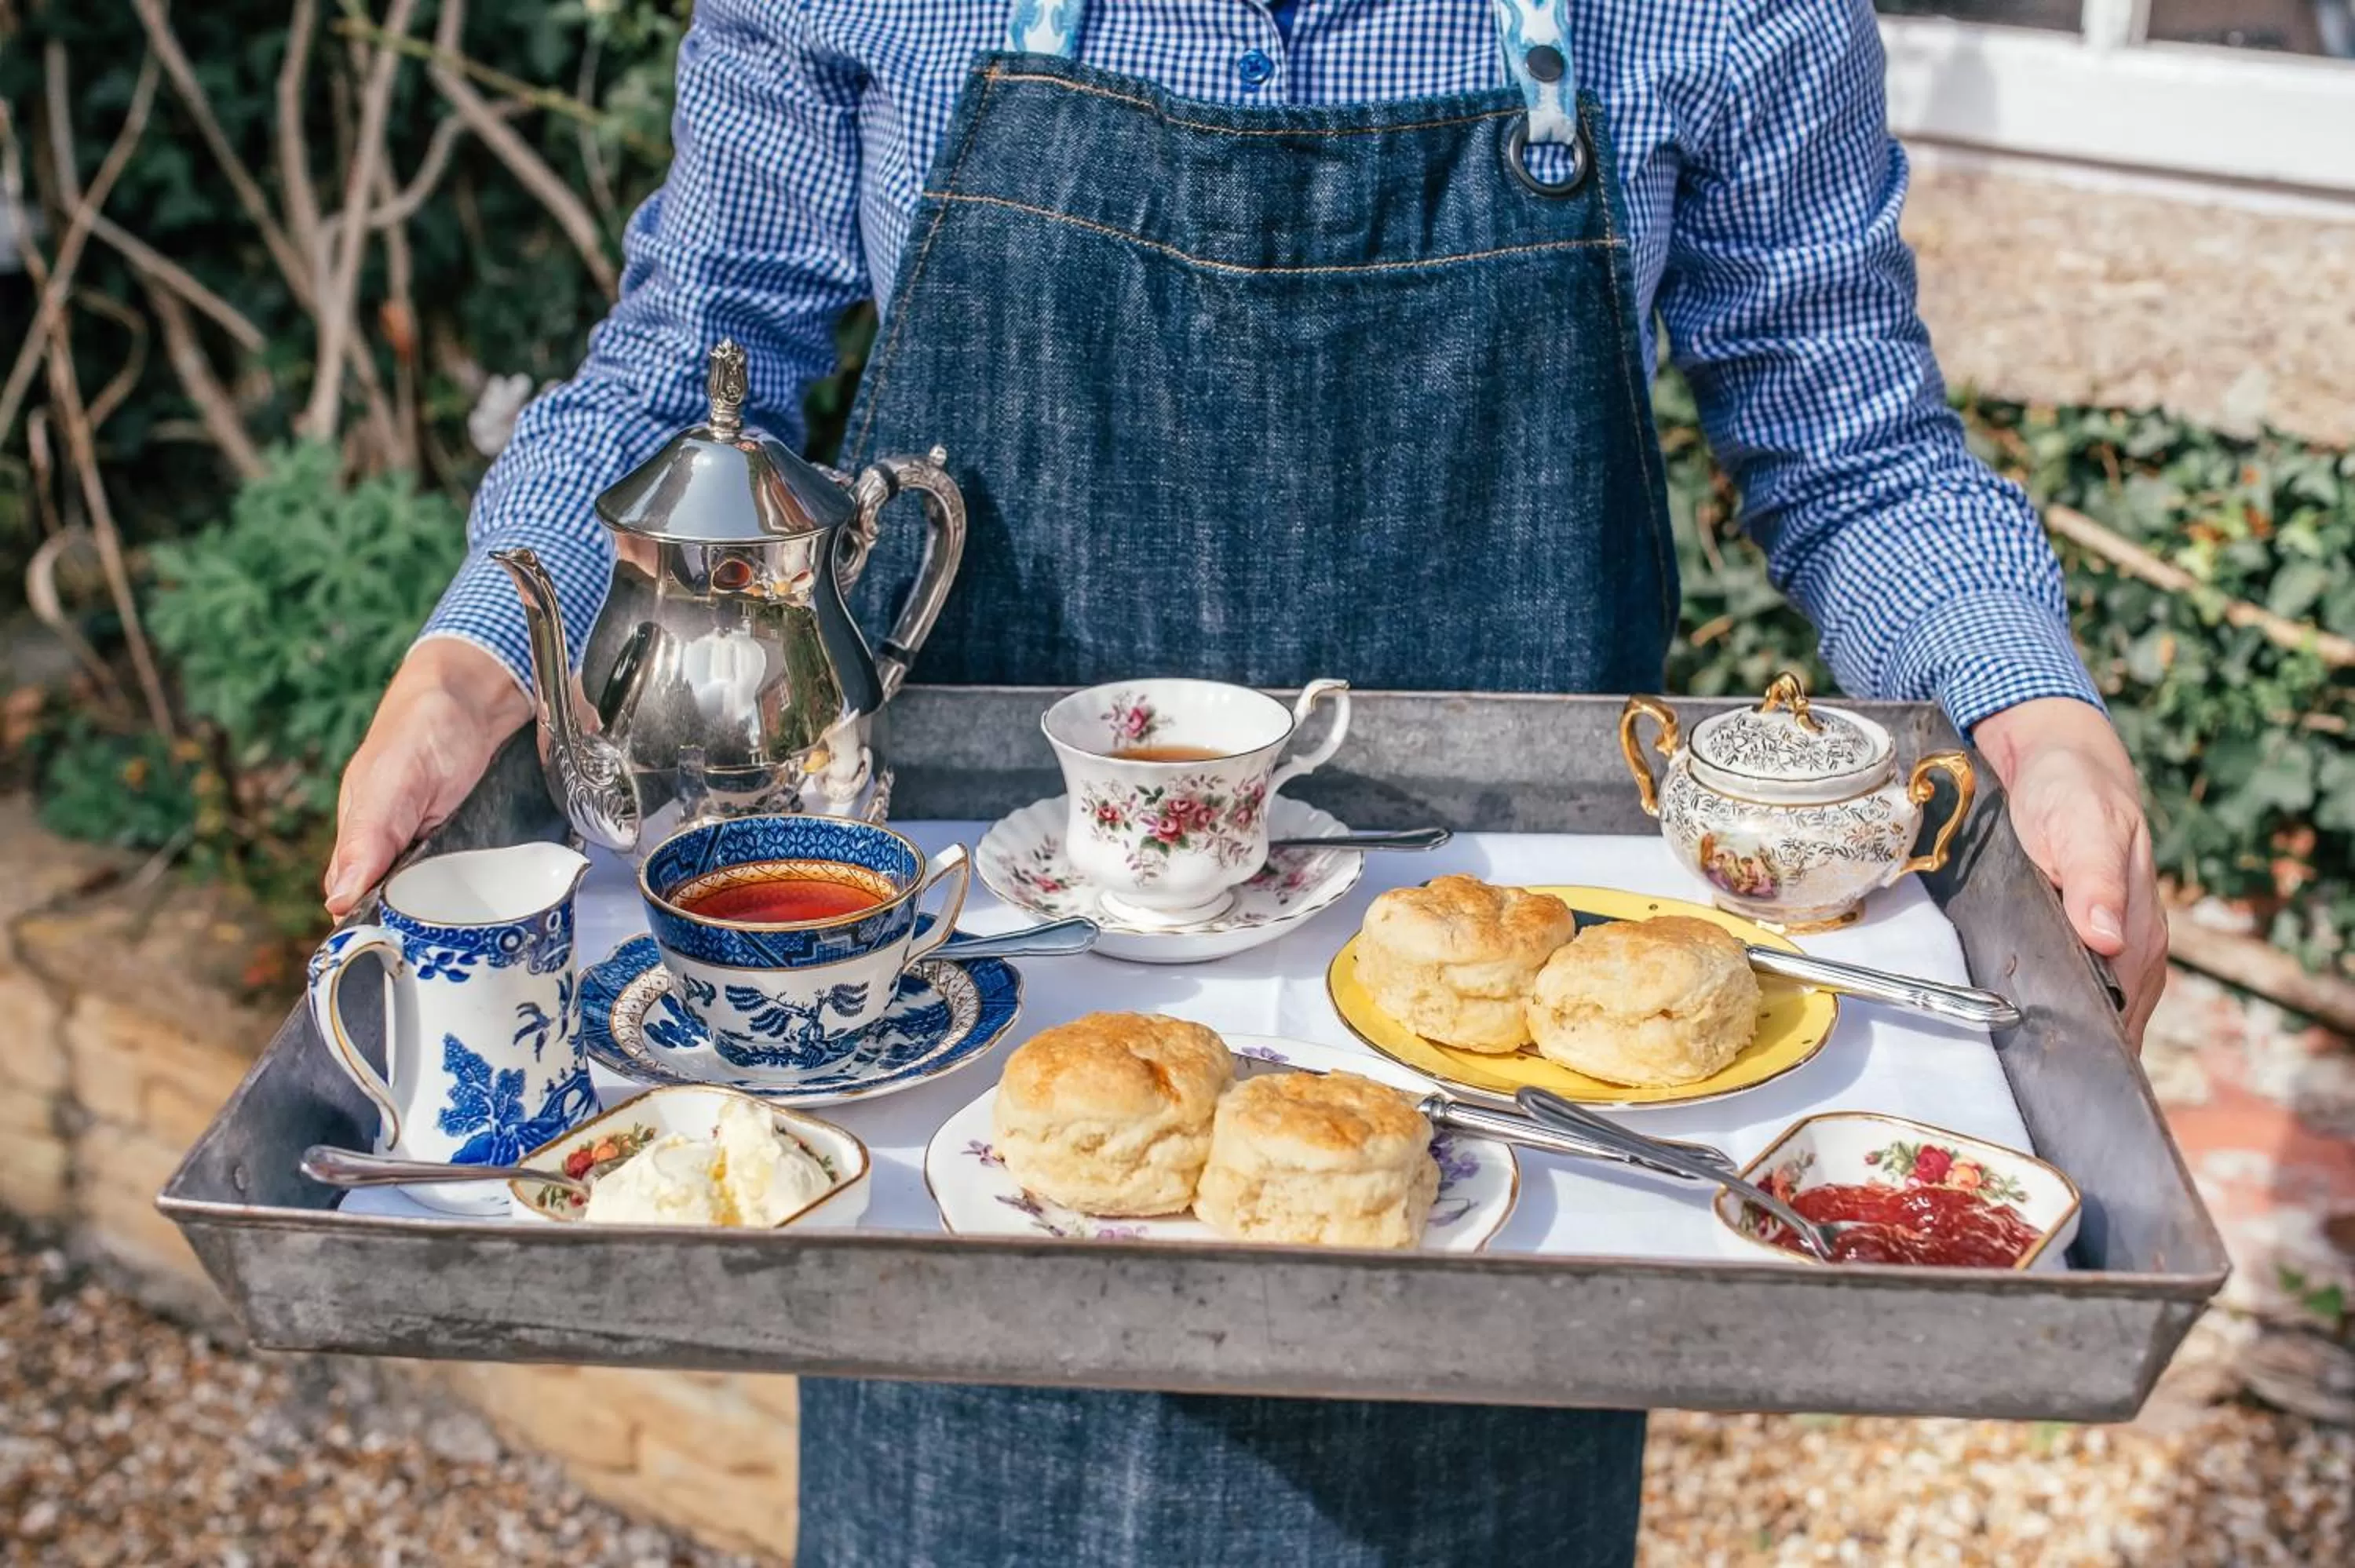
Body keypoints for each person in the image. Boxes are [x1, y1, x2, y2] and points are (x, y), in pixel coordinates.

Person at [327, 3, 2167, 1562]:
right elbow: (696, 352)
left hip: (1474, 1106)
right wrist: (478, 661)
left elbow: (1851, 435)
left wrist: (2039, 720)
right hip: (970, 1058)